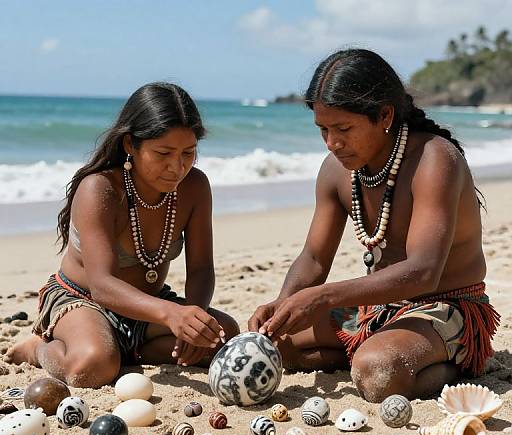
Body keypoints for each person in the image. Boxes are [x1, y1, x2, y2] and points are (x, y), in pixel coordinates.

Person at [248, 49, 500, 403]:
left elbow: (424, 272)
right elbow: (314, 259)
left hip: (446, 305)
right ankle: (382, 347)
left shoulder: (434, 159)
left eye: (343, 129)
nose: (332, 143)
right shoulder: (336, 171)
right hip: (379, 306)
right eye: (323, 130)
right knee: (282, 344)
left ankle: (461, 361)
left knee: (377, 374)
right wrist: (282, 305)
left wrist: (322, 297)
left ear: (384, 115)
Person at [6, 82, 239, 388]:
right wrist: (172, 315)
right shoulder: (100, 189)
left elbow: (201, 268)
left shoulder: (194, 187)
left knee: (223, 335)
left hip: (147, 305)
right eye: (163, 153)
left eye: (188, 153)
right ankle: (37, 348)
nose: (177, 166)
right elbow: (102, 285)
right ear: (131, 145)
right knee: (94, 366)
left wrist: (193, 318)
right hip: (84, 299)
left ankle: (127, 349)